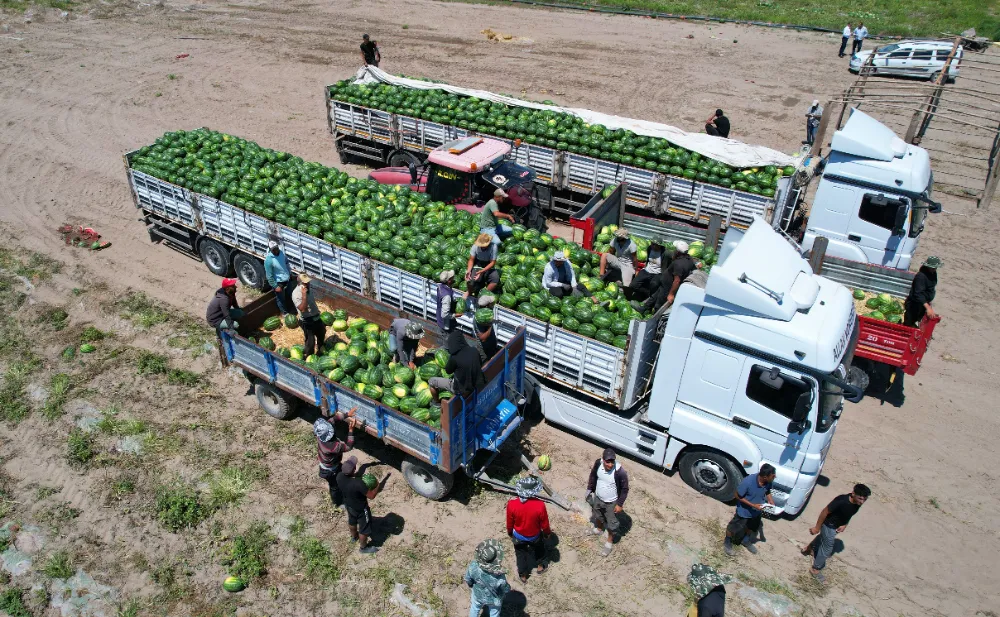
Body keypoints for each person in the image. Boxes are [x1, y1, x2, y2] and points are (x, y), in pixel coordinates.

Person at [801, 484, 871, 583]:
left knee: (823, 538)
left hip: (837, 526)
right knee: (827, 548)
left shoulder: (857, 503)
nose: (862, 502)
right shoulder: (841, 501)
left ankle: (809, 549)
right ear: (853, 494)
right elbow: (825, 512)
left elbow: (849, 513)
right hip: (829, 524)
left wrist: (845, 524)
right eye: (860, 498)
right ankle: (815, 570)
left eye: (865, 499)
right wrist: (817, 527)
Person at [335, 456, 387, 554]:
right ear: (354, 469)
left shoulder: (339, 476)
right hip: (361, 509)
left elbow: (351, 480)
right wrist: (377, 485)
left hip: (349, 506)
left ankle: (354, 537)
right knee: (364, 529)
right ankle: (363, 548)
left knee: (352, 521)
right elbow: (371, 496)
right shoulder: (358, 484)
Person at [723, 463, 776, 557]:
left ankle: (745, 540)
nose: (775, 477)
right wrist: (753, 505)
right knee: (733, 528)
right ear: (764, 477)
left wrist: (770, 500)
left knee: (751, 527)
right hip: (744, 512)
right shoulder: (748, 482)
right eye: (772, 476)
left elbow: (767, 491)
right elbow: (737, 495)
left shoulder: (768, 482)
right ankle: (727, 542)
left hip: (756, 512)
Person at [506, 476, 550, 583]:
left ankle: (523, 575)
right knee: (539, 550)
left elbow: (509, 522)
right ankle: (540, 566)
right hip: (534, 535)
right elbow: (544, 523)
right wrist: (547, 533)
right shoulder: (540, 505)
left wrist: (510, 532)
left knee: (521, 555)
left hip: (519, 536)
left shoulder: (512, 504)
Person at [586, 447, 629, 557]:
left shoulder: (619, 471)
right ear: (602, 459)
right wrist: (589, 489)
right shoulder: (598, 464)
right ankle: (599, 529)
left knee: (611, 523)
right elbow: (593, 476)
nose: (610, 464)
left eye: (612, 461)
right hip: (598, 498)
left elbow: (624, 489)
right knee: (597, 514)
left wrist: (619, 504)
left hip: (611, 502)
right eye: (607, 462)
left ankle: (609, 542)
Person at [313, 409, 357, 513]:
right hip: (330, 470)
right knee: (334, 487)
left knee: (340, 477)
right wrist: (351, 430)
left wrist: (347, 415)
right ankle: (338, 503)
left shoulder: (320, 435)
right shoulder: (331, 446)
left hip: (329, 465)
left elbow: (333, 419)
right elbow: (348, 446)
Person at [429, 330, 486, 401]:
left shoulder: (454, 357)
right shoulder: (474, 350)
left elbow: (448, 371)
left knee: (431, 381)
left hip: (460, 388)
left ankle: (436, 402)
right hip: (476, 383)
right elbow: (479, 363)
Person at [643, 241, 697, 313]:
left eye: (675, 249)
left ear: (678, 252)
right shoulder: (689, 259)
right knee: (655, 296)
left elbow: (677, 280)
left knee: (659, 304)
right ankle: (644, 308)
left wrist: (671, 294)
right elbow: (694, 266)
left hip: (668, 288)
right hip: (664, 284)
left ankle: (655, 318)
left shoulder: (679, 264)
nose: (673, 251)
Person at [464, 539, 510, 617]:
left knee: (474, 608)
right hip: (494, 600)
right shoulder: (500, 576)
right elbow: (505, 589)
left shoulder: (473, 566)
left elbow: (468, 579)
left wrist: (471, 585)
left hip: (477, 595)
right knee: (494, 613)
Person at [292, 274, 326, 358]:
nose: (308, 284)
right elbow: (302, 309)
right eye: (306, 283)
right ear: (300, 283)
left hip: (316, 317)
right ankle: (308, 356)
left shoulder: (308, 289)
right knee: (310, 342)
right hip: (307, 321)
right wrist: (304, 296)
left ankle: (320, 349)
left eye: (308, 282)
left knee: (322, 332)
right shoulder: (296, 293)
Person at [904, 256, 941, 327]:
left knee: (917, 321)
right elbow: (918, 294)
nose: (935, 269)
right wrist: (928, 307)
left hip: (922, 304)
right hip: (914, 305)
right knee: (908, 324)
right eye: (933, 268)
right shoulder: (921, 277)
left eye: (936, 268)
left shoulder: (933, 273)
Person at [466, 233, 501, 300]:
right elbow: (471, 260)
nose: (482, 246)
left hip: (489, 265)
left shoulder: (493, 247)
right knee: (470, 281)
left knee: (495, 279)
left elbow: (492, 263)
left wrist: (482, 272)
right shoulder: (475, 246)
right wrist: (469, 270)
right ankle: (469, 293)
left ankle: (483, 294)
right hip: (478, 264)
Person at [264, 240, 294, 315]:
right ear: (270, 250)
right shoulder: (269, 260)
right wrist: (275, 286)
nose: (276, 250)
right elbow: (269, 276)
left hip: (287, 279)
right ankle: (284, 313)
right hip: (279, 282)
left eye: (276, 248)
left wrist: (290, 273)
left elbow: (286, 263)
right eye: (273, 249)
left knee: (290, 295)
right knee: (281, 299)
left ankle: (291, 309)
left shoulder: (281, 253)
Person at [473, 295, 499, 362]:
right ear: (487, 306)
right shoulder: (479, 318)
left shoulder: (487, 311)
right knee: (485, 367)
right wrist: (490, 325)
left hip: (491, 345)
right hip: (484, 350)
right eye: (490, 303)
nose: (492, 304)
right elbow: (483, 338)